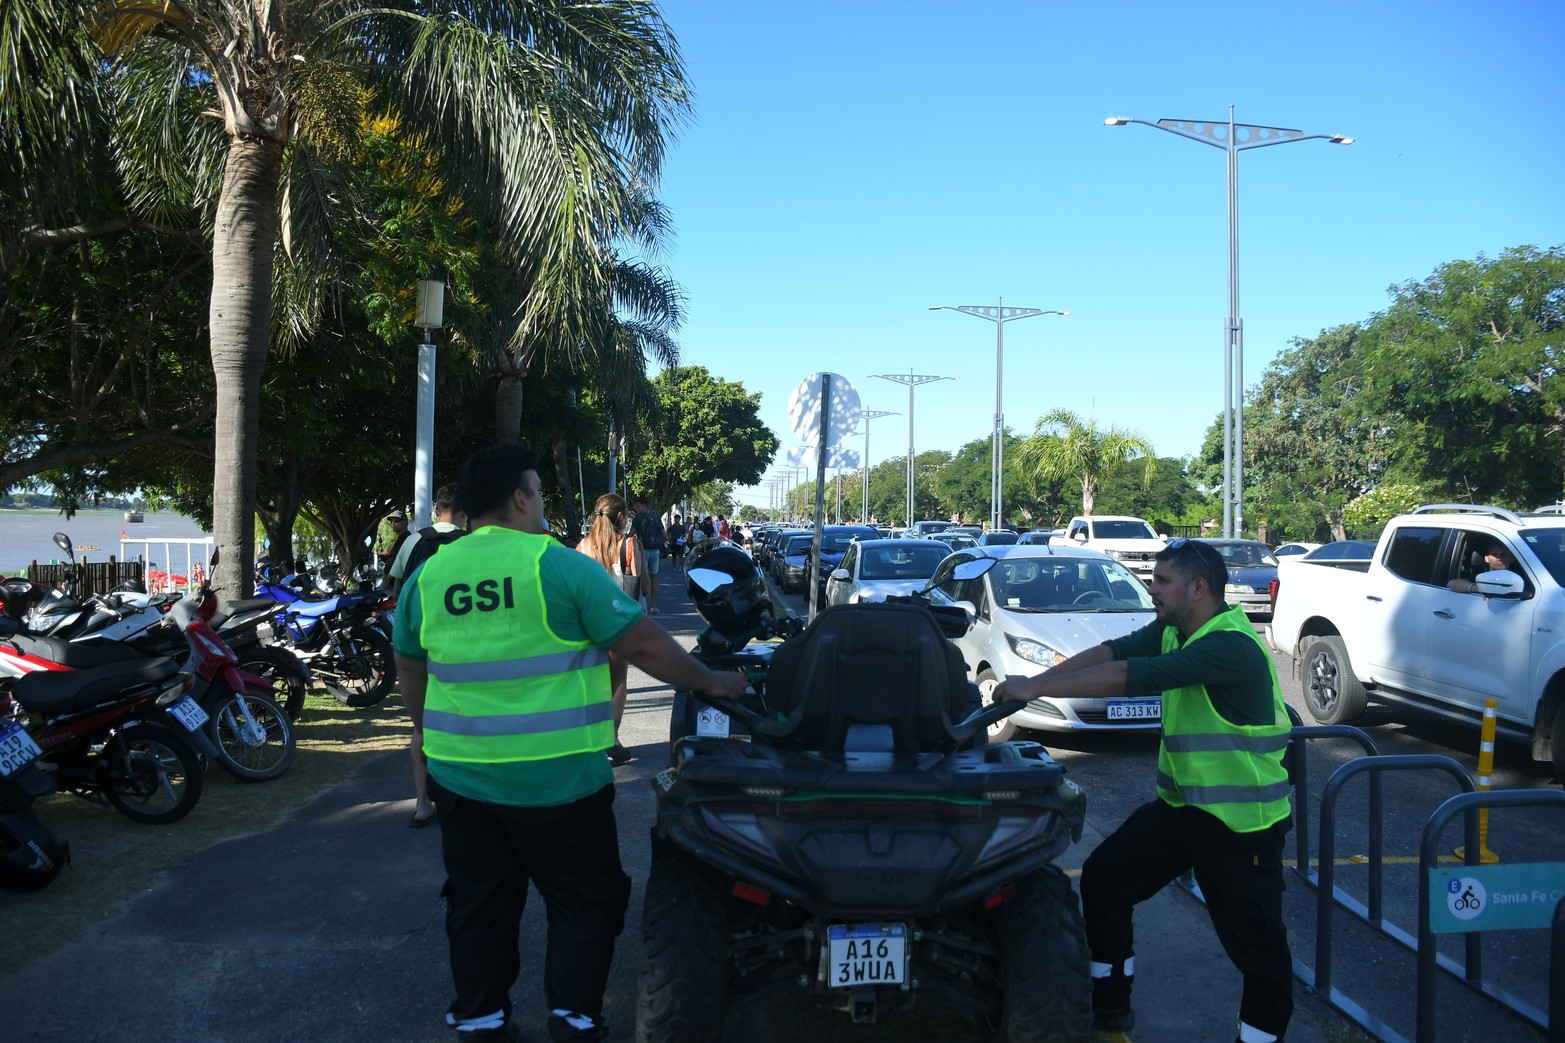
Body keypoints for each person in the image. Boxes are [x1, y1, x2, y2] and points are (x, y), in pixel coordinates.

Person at [393, 444, 745, 1043]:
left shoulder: (430, 576)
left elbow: (410, 667)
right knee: (584, 901)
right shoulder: (558, 566)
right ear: (518, 497)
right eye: (535, 490)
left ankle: (481, 1017)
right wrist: (713, 681)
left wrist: (426, 734)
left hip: (462, 780)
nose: (540, 503)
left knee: (479, 904)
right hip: (559, 782)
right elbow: (645, 645)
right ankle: (574, 1015)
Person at [994, 537, 1294, 1042]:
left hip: (1243, 829)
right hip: (1186, 811)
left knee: (1259, 954)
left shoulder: (1227, 645)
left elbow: (1132, 675)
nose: (1152, 589)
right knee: (1105, 880)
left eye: (1162, 581)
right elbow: (1114, 651)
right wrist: (1037, 678)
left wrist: (1037, 690)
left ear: (1198, 588)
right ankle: (1109, 1007)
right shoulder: (1176, 630)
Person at [394, 485, 467, 827]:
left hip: (414, 632)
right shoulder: (468, 543)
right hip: (455, 637)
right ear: (463, 512)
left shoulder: (412, 540)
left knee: (421, 728)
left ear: (437, 509)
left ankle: (422, 803)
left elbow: (395, 584)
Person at [577, 493, 644, 766]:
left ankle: (590, 737)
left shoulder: (582, 546)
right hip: (617, 623)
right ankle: (612, 738)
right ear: (620, 516)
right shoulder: (628, 544)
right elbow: (637, 587)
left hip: (586, 624)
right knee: (618, 681)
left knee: (593, 683)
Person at [629, 496, 666, 615]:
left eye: (637, 506)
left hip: (642, 550)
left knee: (640, 577)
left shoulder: (638, 519)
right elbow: (664, 535)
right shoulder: (656, 518)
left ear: (644, 506)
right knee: (654, 576)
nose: (636, 508)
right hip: (655, 551)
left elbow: (631, 534)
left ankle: (640, 604)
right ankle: (654, 605)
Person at [1447, 539, 1519, 593]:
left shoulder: (1521, 578)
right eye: (1494, 554)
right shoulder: (1478, 578)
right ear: (1486, 558)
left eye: (1503, 554)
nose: (1499, 558)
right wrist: (1480, 588)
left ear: (1512, 558)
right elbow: (1451, 584)